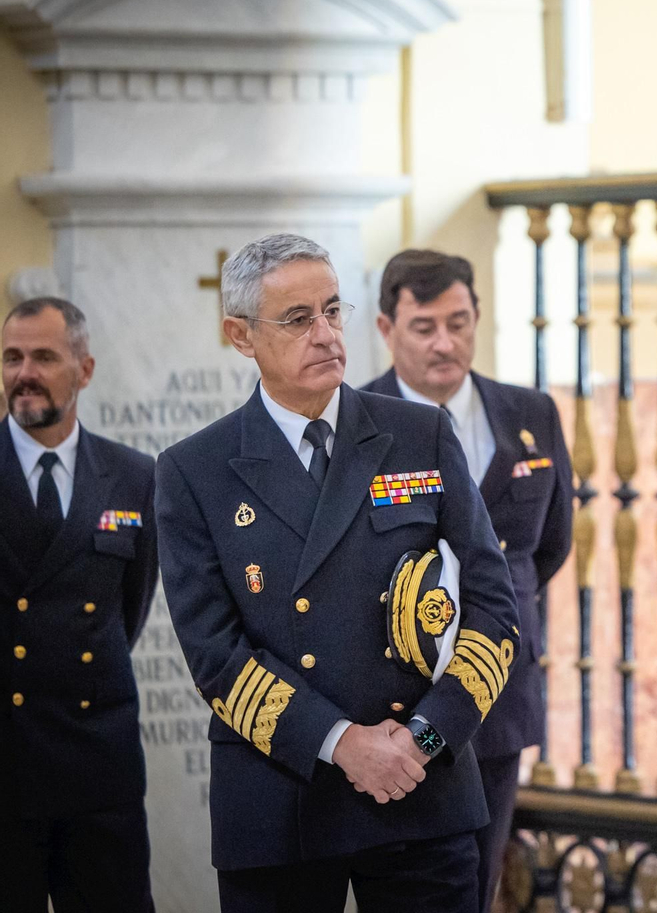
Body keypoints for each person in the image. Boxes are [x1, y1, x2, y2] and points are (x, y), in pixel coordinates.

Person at [155, 233, 520, 913]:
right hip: (281, 797)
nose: (324, 334)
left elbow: (495, 609)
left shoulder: (419, 434)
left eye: (331, 310)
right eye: (297, 319)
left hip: (422, 787)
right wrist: (343, 743)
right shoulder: (193, 471)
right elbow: (215, 655)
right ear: (240, 335)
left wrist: (424, 736)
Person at [362, 249, 573, 912]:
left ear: (479, 316)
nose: (445, 342)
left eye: (459, 321)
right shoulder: (357, 423)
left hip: (498, 694)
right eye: (424, 326)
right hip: (394, 706)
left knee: (476, 884)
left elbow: (548, 547)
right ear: (386, 328)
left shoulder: (530, 411)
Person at [0, 297, 159, 913]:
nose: (24, 373)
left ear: (84, 370)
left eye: (43, 356)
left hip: (99, 766)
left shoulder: (132, 477)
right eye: (12, 357)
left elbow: (130, 608)